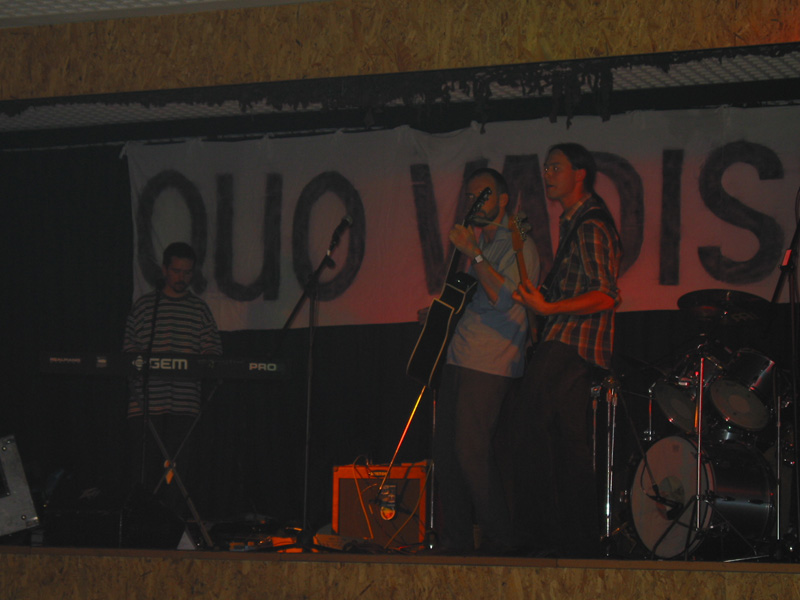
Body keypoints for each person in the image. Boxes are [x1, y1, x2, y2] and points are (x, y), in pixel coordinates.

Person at [508, 143, 621, 558]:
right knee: (567, 443)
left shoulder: (590, 225)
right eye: (546, 167)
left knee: (531, 429)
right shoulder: (576, 222)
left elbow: (605, 295)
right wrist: (542, 301)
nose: (548, 174)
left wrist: (549, 309)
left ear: (580, 174)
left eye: (556, 167)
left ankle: (543, 536)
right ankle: (575, 541)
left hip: (572, 342)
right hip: (570, 342)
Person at [433, 167, 540, 553]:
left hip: (490, 361)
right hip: (460, 355)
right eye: (470, 196)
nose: (475, 203)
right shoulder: (485, 241)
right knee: (446, 454)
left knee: (471, 451)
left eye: (484, 195)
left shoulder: (519, 244)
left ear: (504, 200)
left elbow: (503, 297)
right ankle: (456, 541)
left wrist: (473, 254)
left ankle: (501, 541)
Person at [123, 242, 222, 519]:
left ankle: (172, 530)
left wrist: (200, 363)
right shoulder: (145, 307)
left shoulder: (199, 310)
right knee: (143, 475)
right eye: (177, 271)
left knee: (176, 478)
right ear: (165, 270)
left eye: (187, 272)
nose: (182, 278)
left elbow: (213, 353)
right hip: (145, 406)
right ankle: (139, 527)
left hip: (184, 407)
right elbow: (128, 353)